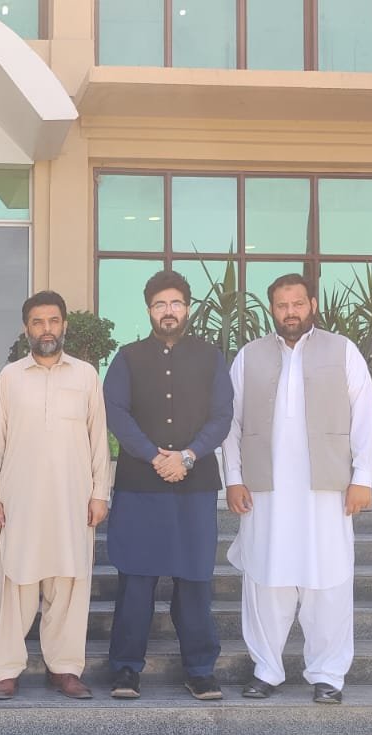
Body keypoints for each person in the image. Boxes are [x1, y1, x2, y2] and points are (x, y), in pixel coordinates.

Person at [222, 273, 372, 705]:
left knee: (327, 581)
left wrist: (363, 478)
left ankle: (328, 675)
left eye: (297, 304)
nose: (290, 312)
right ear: (272, 309)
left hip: (327, 490)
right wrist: (232, 478)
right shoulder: (249, 356)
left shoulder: (343, 350)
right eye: (281, 305)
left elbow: (364, 415)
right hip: (264, 490)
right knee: (265, 580)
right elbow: (230, 423)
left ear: (312, 305)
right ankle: (266, 669)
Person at [103, 270, 233, 702]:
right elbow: (116, 412)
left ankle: (200, 670)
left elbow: (222, 416)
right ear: (149, 311)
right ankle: (125, 669)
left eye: (175, 303)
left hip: (194, 487)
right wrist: (154, 456)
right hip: (140, 486)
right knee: (136, 581)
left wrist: (189, 456)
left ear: (187, 308)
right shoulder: (128, 358)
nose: (168, 311)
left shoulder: (211, 357)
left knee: (194, 581)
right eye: (160, 304)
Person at [0, 290, 112, 700]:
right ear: (27, 329)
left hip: (73, 500)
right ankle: (6, 669)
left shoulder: (86, 376)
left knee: (69, 585)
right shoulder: (10, 377)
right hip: (19, 500)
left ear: (64, 325)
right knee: (15, 585)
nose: (47, 329)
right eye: (38, 322)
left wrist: (100, 493)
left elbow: (98, 439)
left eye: (53, 321)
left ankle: (65, 669)